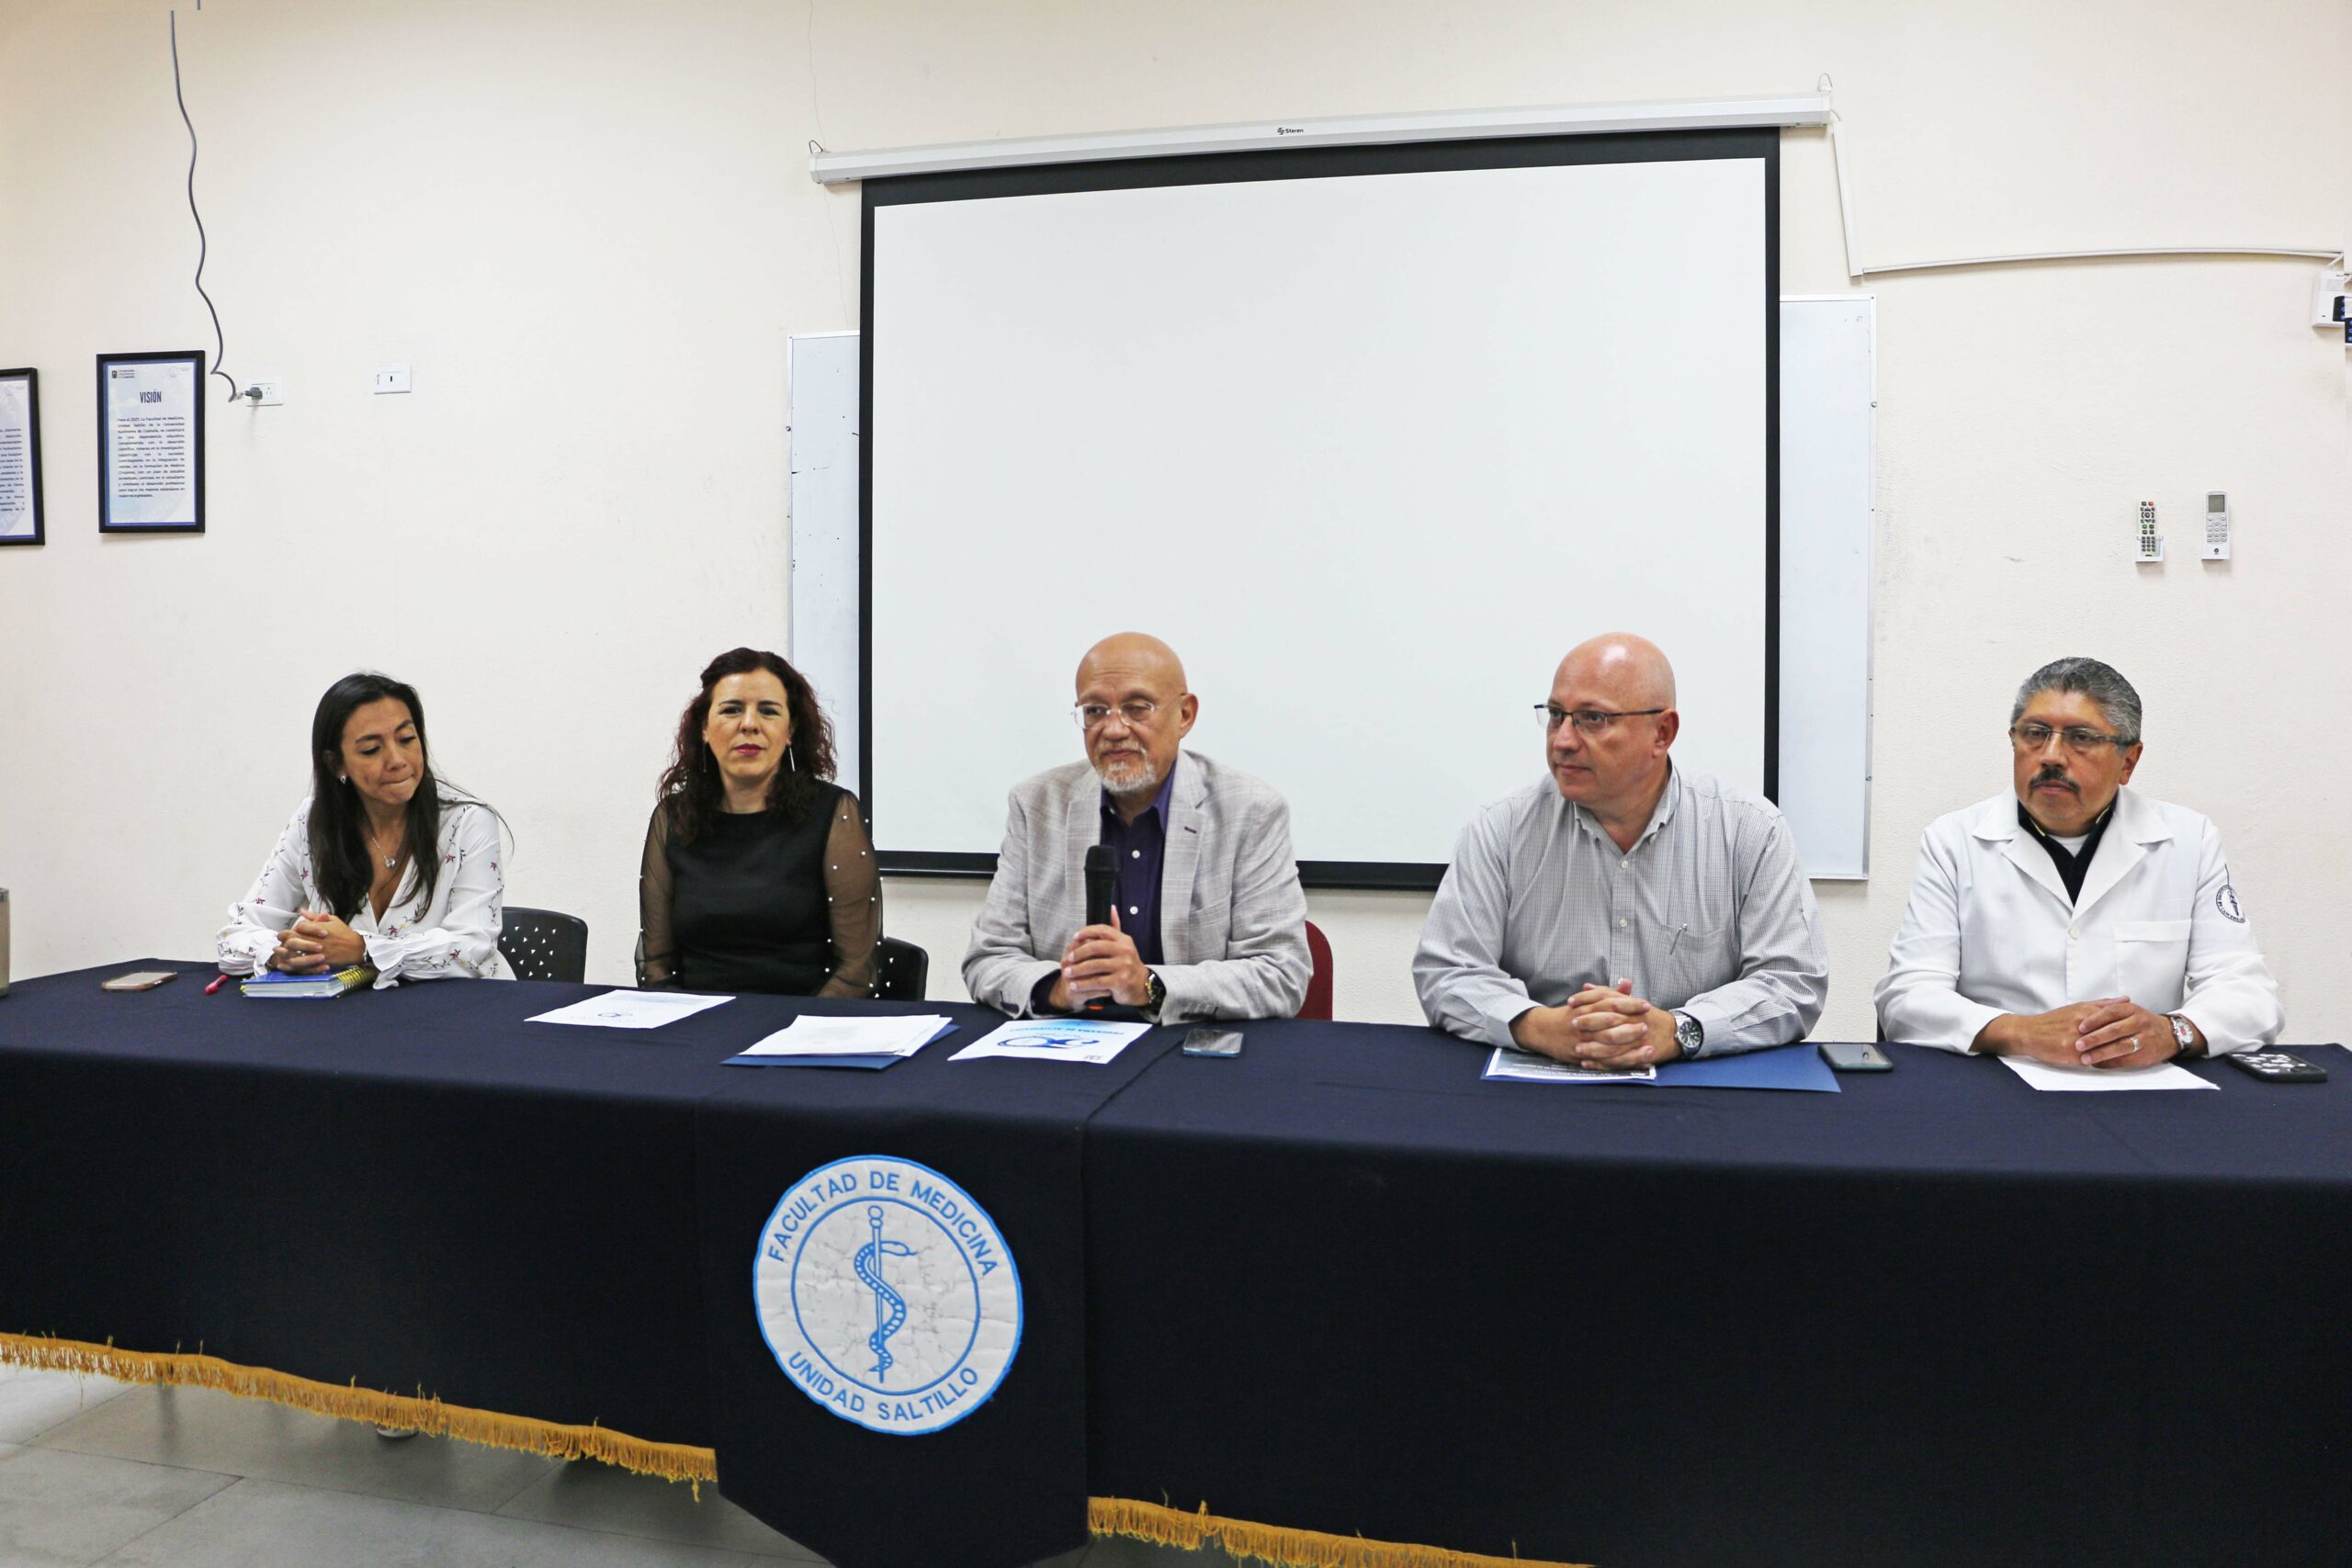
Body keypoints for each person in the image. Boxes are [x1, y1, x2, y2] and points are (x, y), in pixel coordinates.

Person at [1413, 633, 1826, 1066]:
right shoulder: (1501, 828)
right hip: (1541, 1085)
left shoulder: (1748, 830)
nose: (1562, 741)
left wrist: (1679, 1030)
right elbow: (1447, 972)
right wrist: (1541, 1027)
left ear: (1662, 732)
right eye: (1556, 715)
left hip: (1695, 1091)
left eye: (1592, 719)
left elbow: (1792, 981)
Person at [1874, 657, 2280, 1065]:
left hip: (2141, 1084)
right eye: (2035, 734)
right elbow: (1907, 996)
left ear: (2128, 761)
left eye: (2080, 738)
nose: (2051, 755)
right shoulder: (1954, 841)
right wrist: (2021, 1032)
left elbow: (2249, 994)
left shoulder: (2188, 840)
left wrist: (2172, 1031)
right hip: (1999, 1082)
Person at [962, 632, 1309, 1022]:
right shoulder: (1037, 805)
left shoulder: (1250, 811)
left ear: (1185, 715)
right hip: (1068, 1049)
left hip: (1187, 1051)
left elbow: (1281, 974)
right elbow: (988, 958)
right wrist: (1059, 989)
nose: (1113, 730)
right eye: (1095, 711)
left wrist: (1148, 985)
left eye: (1137, 708)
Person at [217, 672, 504, 987]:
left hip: (462, 1013)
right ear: (336, 764)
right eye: (371, 749)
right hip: (352, 1017)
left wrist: (364, 950)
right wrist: (281, 953)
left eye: (407, 740)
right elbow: (236, 936)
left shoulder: (467, 821)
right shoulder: (311, 822)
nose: (397, 760)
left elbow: (473, 948)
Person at [638, 648, 879, 997]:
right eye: (732, 709)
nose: (749, 724)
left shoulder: (834, 814)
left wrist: (794, 1037)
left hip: (799, 1029)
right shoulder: (672, 818)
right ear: (704, 728)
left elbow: (856, 971)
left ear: (791, 730)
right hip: (694, 1030)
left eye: (768, 711)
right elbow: (657, 963)